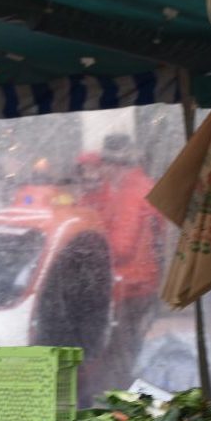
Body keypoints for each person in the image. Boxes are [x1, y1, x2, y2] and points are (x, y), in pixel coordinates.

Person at [75, 134, 163, 387]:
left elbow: (120, 247)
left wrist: (84, 253)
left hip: (130, 287)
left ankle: (115, 402)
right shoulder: (139, 186)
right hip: (139, 283)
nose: (102, 172)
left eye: (104, 165)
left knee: (118, 354)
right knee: (126, 349)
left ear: (115, 164)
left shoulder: (131, 193)